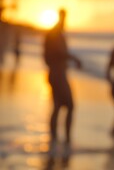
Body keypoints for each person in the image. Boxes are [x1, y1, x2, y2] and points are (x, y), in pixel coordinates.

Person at [44, 8, 81, 148]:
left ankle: (55, 137)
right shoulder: (55, 33)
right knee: (70, 105)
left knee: (58, 105)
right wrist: (75, 59)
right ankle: (66, 139)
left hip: (56, 73)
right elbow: (60, 52)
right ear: (61, 17)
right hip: (58, 74)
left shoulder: (54, 32)